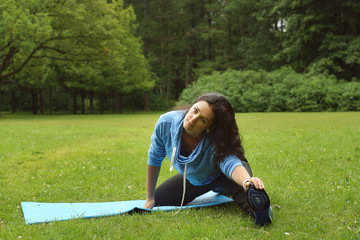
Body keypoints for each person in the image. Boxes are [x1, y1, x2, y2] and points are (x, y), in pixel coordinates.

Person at [144, 92, 273, 226]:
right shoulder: (166, 123)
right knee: (159, 199)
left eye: (203, 119)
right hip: (199, 178)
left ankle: (263, 210)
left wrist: (247, 181)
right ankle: (223, 189)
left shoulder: (216, 140)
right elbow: (154, 158)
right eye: (195, 110)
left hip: (227, 174)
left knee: (248, 195)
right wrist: (149, 197)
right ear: (192, 105)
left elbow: (229, 162)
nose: (193, 119)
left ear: (210, 127)